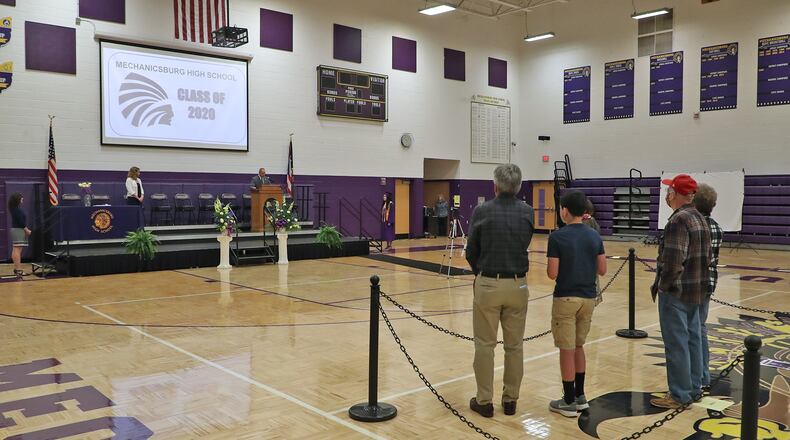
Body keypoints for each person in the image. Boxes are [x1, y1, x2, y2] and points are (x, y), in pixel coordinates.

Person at [465, 164, 534, 418]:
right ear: (517, 187)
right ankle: (510, 400)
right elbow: (525, 241)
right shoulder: (527, 211)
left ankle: (484, 401)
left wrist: (480, 273)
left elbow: (472, 250)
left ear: (495, 186)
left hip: (489, 282)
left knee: (485, 344)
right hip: (518, 284)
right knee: (514, 346)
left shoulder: (482, 211)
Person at [650, 174, 711, 409]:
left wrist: (664, 287)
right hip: (697, 291)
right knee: (693, 339)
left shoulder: (678, 221)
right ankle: (694, 387)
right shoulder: (700, 218)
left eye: (669, 191)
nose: (666, 195)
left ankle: (679, 394)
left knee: (676, 343)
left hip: (676, 292)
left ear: (675, 194)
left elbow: (674, 261)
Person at [546, 190, 607, 417]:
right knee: (579, 346)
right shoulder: (594, 235)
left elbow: (553, 273)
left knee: (566, 349)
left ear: (565, 210)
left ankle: (568, 400)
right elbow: (602, 269)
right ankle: (581, 396)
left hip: (566, 297)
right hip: (588, 298)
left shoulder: (557, 237)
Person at [692, 183, 722, 392]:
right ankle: (703, 375)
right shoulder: (717, 228)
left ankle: (699, 375)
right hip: (708, 282)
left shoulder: (693, 225)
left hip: (693, 284)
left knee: (695, 331)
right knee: (700, 327)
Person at [7, 193, 31, 279]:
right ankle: (18, 269)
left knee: (16, 250)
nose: (22, 199)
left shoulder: (14, 209)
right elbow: (21, 222)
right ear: (17, 199)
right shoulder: (16, 210)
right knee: (17, 250)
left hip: (16, 230)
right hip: (18, 230)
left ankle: (17, 269)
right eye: (21, 198)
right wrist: (26, 229)